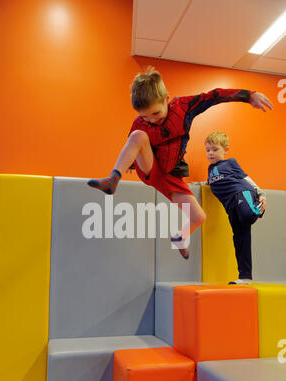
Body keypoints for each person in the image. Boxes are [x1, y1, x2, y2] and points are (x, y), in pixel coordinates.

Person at [87, 67, 273, 259]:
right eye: (145, 116)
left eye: (156, 113)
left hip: (170, 176)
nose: (151, 120)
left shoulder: (183, 107)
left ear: (167, 99)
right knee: (138, 135)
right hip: (151, 168)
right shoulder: (140, 125)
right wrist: (129, 166)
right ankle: (113, 179)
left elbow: (214, 96)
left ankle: (179, 237)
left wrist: (249, 95)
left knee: (199, 217)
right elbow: (133, 145)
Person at [205, 131, 266, 284]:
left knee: (247, 216)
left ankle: (259, 206)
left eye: (215, 149)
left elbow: (246, 178)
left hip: (242, 193)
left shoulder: (230, 162)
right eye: (207, 150)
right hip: (230, 206)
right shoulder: (210, 170)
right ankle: (245, 277)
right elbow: (213, 181)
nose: (210, 153)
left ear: (225, 149)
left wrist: (261, 194)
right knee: (240, 238)